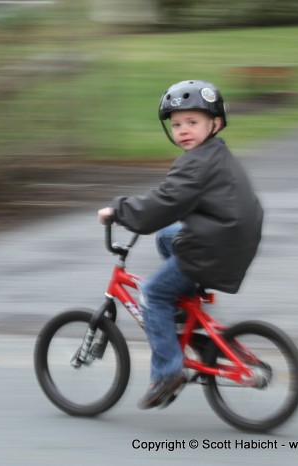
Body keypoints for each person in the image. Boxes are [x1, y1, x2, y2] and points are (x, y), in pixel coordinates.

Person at [97, 80, 264, 409]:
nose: (183, 130)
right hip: (231, 239)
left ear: (214, 124)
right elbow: (171, 208)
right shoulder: (215, 154)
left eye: (192, 122)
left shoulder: (195, 163)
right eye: (176, 124)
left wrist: (118, 210)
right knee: (166, 235)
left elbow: (161, 204)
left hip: (213, 246)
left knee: (152, 293)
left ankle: (167, 373)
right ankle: (186, 308)